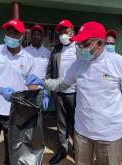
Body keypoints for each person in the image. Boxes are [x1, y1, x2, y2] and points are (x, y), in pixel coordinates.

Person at [26, 21, 122, 165]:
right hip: (82, 133)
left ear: (99, 43)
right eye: (79, 44)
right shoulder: (78, 64)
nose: (79, 48)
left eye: (84, 44)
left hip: (109, 135)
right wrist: (43, 82)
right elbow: (62, 84)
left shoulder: (120, 64)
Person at [0, 19, 35, 165]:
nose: (11, 35)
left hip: (15, 114)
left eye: (15, 32)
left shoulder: (29, 59)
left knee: (13, 154)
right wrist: (1, 90)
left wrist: (40, 92)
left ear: (22, 35)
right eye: (8, 32)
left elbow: (32, 85)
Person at [45, 19, 77, 164]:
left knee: (77, 124)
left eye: (66, 31)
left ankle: (78, 150)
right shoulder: (56, 49)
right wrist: (48, 90)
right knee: (61, 123)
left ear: (73, 32)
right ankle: (62, 150)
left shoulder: (80, 47)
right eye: (61, 32)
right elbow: (50, 71)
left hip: (78, 93)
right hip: (60, 93)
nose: (63, 34)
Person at [25, 25, 51, 110]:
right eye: (34, 34)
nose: (36, 36)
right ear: (31, 36)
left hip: (40, 92)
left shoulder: (48, 53)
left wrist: (46, 91)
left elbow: (49, 73)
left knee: (38, 117)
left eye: (39, 34)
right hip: (25, 90)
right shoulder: (24, 51)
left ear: (42, 37)